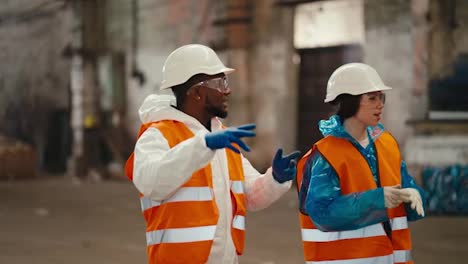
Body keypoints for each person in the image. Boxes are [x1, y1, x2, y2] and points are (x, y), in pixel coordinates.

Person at [125, 44, 300, 264]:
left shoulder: (222, 138)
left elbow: (250, 196)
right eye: (219, 83)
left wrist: (275, 179)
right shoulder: (158, 135)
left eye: (225, 81)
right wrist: (203, 146)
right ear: (197, 92)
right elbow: (152, 181)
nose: (227, 90)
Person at [296, 63, 426, 264]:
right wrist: (376, 199)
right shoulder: (325, 155)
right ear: (350, 102)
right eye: (372, 98)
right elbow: (321, 213)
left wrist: (413, 195)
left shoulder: (387, 144)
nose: (380, 104)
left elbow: (403, 199)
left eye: (381, 97)